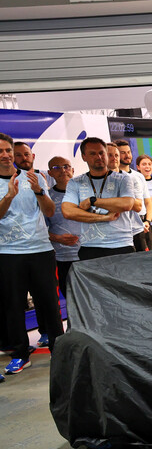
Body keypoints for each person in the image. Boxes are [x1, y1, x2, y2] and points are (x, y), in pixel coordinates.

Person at [0, 135, 60, 375]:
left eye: (7, 150)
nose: (4, 155)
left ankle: (59, 348)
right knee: (13, 306)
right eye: (0, 151)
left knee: (49, 303)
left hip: (40, 249)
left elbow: (50, 211)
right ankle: (20, 354)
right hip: (8, 253)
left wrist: (39, 191)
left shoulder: (35, 178)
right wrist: (9, 196)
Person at [61, 137, 137, 260]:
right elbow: (68, 211)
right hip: (90, 245)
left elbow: (127, 204)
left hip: (121, 244)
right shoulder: (75, 182)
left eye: (101, 153)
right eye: (93, 154)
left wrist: (93, 201)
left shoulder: (123, 179)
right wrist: (104, 217)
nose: (99, 157)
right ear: (84, 156)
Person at [45, 156, 81, 303]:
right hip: (64, 258)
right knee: (72, 300)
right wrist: (57, 238)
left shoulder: (87, 193)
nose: (63, 170)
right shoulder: (47, 198)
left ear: (72, 170)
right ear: (50, 173)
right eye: (57, 168)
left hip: (89, 254)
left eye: (66, 166)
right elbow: (40, 229)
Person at [115, 140, 152, 251]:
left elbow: (147, 202)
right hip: (123, 227)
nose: (127, 155)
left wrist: (148, 221)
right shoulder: (113, 177)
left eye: (129, 152)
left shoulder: (139, 176)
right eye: (123, 153)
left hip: (142, 225)